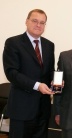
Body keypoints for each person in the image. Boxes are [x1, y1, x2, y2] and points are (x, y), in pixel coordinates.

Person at [3, 9, 55, 138]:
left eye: (42, 22)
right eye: (35, 21)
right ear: (26, 21)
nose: (38, 25)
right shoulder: (13, 43)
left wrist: (56, 81)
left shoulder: (49, 45)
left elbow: (49, 71)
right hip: (22, 109)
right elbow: (11, 73)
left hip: (43, 110)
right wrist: (37, 85)